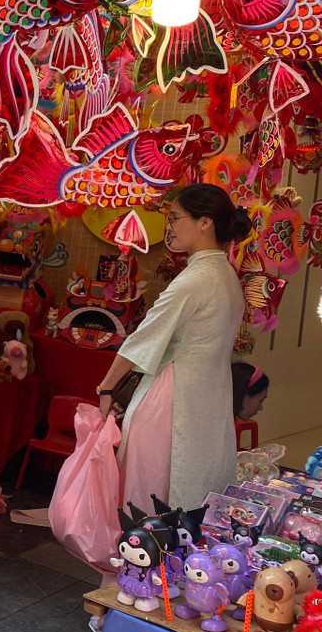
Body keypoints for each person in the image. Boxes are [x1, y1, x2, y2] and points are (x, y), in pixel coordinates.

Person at [95, 183, 251, 511]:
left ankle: (146, 556)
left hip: (172, 400)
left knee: (153, 498)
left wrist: (106, 387)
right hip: (207, 399)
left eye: (176, 217)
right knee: (196, 488)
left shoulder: (195, 279)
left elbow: (144, 337)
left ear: (204, 222)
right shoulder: (226, 275)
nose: (170, 226)